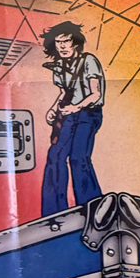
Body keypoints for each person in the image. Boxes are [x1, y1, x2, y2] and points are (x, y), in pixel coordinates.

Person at [40, 21, 105, 215]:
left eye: (66, 41)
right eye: (58, 42)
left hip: (88, 114)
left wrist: (76, 107)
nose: (62, 46)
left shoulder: (89, 61)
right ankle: (53, 212)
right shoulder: (59, 66)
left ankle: (92, 208)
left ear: (75, 43)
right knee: (55, 156)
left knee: (78, 158)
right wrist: (53, 109)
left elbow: (96, 94)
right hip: (69, 114)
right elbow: (64, 92)